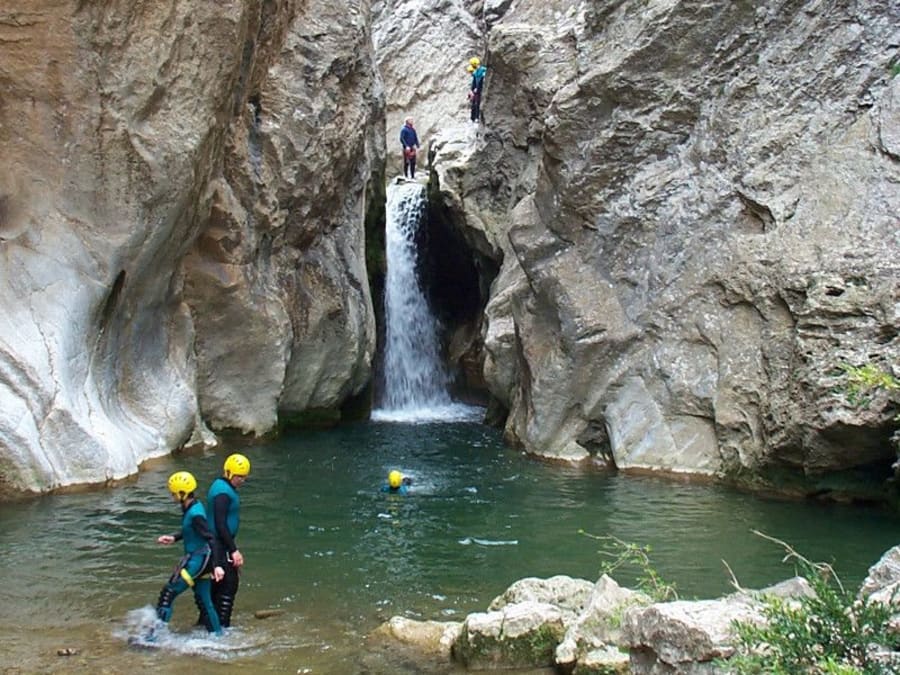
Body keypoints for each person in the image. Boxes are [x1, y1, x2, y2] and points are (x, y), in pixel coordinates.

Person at [153, 471, 224, 637]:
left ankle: (153, 638)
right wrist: (174, 537)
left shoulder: (195, 514)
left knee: (168, 593)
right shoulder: (193, 507)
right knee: (205, 601)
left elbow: (211, 538)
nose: (172, 497)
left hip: (196, 561)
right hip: (201, 560)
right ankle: (218, 637)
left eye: (173, 494)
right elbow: (192, 531)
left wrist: (218, 566)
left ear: (182, 493)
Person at [204, 453, 251, 628]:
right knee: (228, 587)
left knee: (217, 587)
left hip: (219, 544)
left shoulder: (221, 487)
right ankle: (221, 628)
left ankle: (208, 624)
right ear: (230, 473)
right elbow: (220, 524)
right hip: (219, 545)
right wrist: (233, 550)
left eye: (244, 477)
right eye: (240, 476)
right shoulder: (222, 493)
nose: (242, 480)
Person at [468, 57, 487, 124]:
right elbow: (474, 81)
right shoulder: (475, 72)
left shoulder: (483, 71)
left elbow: (482, 81)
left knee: (478, 103)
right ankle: (472, 118)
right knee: (474, 103)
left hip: (480, 90)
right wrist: (472, 90)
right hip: (476, 90)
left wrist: (477, 89)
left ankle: (477, 118)